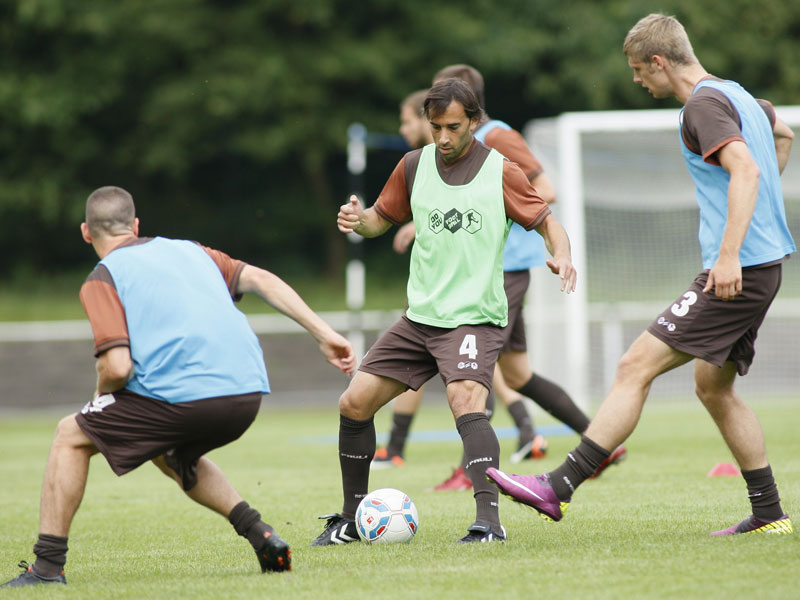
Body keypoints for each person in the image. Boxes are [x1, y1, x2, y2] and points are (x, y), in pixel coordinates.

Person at [487, 13, 795, 537]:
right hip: (763, 266)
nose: (637, 81)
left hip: (738, 269)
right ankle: (769, 513)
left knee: (634, 366)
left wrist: (729, 253)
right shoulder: (738, 94)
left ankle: (557, 487)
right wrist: (757, 213)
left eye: (638, 71)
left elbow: (745, 168)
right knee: (713, 388)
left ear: (659, 61)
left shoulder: (701, 105)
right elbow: (780, 134)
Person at [0, 187, 357, 587]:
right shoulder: (191, 251)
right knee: (169, 452)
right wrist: (325, 334)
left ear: (86, 233)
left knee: (69, 435)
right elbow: (259, 278)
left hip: (187, 400)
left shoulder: (102, 278)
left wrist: (99, 399)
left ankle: (47, 569)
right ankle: (261, 535)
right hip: (248, 392)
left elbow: (117, 366)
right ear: (136, 226)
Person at [311, 78, 576, 546]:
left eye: (453, 127)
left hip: (474, 316)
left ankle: (489, 524)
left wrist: (565, 256)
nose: (444, 137)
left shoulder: (501, 170)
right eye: (436, 127)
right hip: (420, 318)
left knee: (467, 402)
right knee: (353, 403)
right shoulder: (413, 165)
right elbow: (379, 219)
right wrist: (360, 219)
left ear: (474, 120)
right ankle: (351, 521)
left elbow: (549, 223)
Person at [373, 65, 626, 490]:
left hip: (500, 271)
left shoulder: (497, 140)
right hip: (476, 272)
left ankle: (469, 474)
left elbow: (546, 189)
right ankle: (601, 445)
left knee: (471, 370)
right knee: (519, 374)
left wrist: (487, 206)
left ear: (468, 108)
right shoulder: (440, 159)